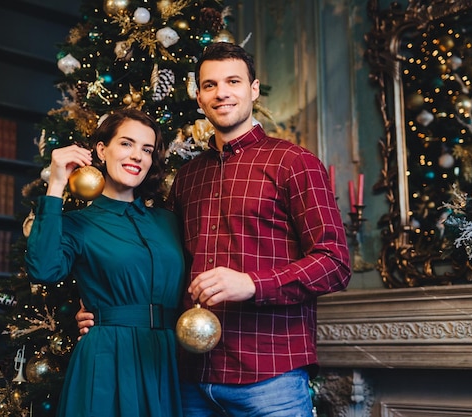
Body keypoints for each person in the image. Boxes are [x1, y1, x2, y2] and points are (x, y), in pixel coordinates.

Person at [77, 42, 351, 417]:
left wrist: (253, 284)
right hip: (189, 378)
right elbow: (161, 261)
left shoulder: (293, 162)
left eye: (233, 81)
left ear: (253, 89)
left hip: (269, 378)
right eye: (210, 85)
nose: (221, 93)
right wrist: (106, 310)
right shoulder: (188, 178)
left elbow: (335, 262)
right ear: (199, 97)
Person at [25, 109, 185, 417]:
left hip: (167, 359)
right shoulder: (78, 224)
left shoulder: (169, 221)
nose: (137, 156)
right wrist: (56, 183)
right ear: (102, 150)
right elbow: (43, 270)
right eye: (126, 144)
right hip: (108, 357)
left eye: (147, 149)